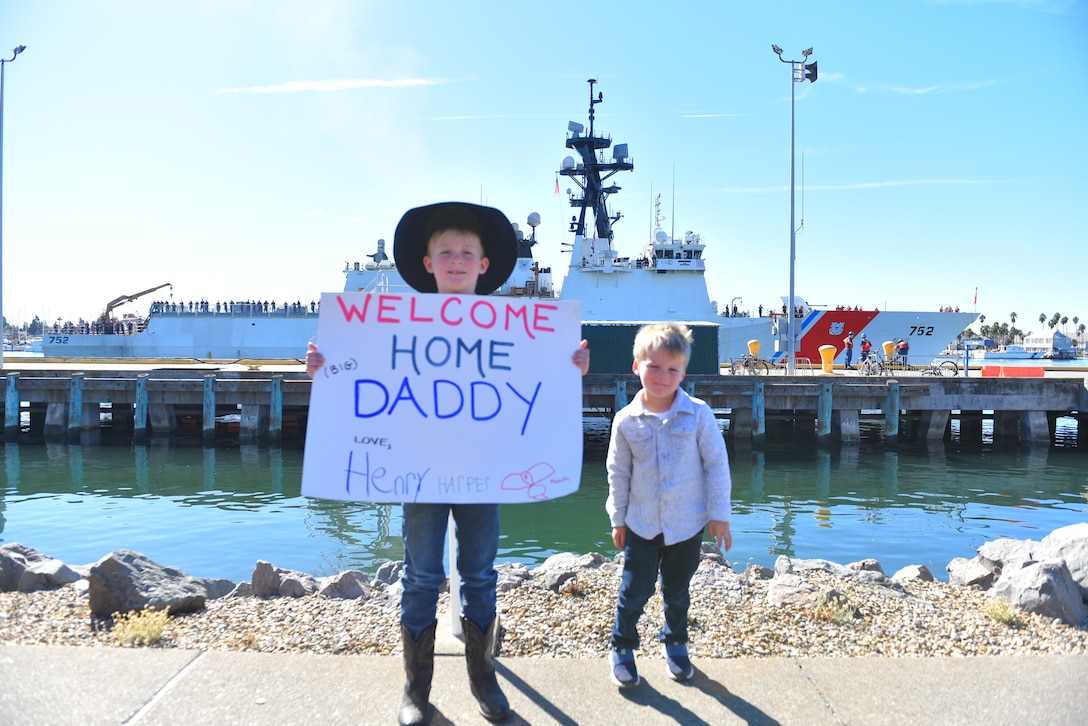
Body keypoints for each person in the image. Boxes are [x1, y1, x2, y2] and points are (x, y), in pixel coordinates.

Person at [306, 202, 591, 725]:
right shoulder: (392, 329)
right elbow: (354, 371)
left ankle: (484, 682)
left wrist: (568, 364)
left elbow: (540, 383)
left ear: (484, 265)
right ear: (427, 263)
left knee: (480, 576)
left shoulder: (515, 330)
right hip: (421, 472)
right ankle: (416, 690)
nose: (456, 260)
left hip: (484, 472)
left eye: (467, 252)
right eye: (446, 252)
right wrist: (326, 368)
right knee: (419, 576)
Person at [604, 322, 732, 690]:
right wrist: (618, 518)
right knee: (634, 590)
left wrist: (719, 515)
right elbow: (618, 473)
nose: (662, 376)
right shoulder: (625, 421)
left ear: (683, 373)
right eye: (654, 367)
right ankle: (622, 645)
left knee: (678, 592)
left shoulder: (699, 414)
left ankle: (675, 642)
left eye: (672, 369)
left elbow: (716, 466)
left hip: (686, 525)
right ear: (636, 366)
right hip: (641, 524)